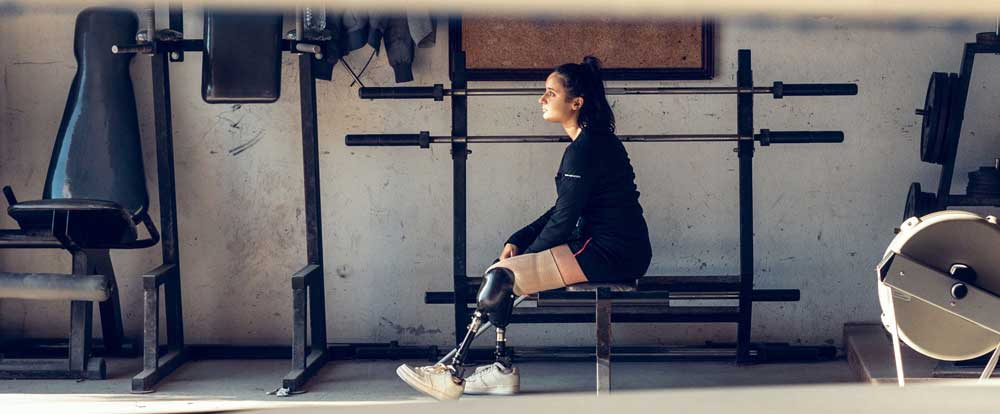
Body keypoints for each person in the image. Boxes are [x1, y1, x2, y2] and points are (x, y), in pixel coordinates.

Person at [396, 56, 652, 400]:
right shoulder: (590, 144)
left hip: (612, 251)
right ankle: (499, 369)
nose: (541, 99)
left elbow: (562, 222)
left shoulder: (586, 148)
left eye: (550, 93)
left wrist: (522, 262)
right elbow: (562, 208)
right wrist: (519, 239)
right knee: (502, 274)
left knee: (502, 277)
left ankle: (453, 372)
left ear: (576, 103)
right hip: (610, 247)